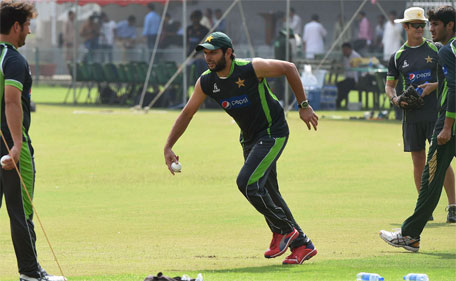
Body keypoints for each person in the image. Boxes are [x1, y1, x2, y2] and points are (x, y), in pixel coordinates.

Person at [163, 31, 319, 265]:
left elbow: (289, 68)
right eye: (205, 53)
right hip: (249, 138)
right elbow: (187, 113)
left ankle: (285, 230)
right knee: (269, 192)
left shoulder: (250, 68)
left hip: (272, 132)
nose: (208, 58)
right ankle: (302, 245)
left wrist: (304, 105)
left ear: (228, 52)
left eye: (213, 52)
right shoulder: (207, 81)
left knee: (246, 183)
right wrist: (168, 146)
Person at [380, 5, 456, 252]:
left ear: (449, 26)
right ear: (406, 27)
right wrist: (395, 99)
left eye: (430, 25)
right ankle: (417, 227)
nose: (426, 29)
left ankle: (412, 234)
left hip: (443, 120)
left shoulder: (443, 51)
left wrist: (446, 125)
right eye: (420, 25)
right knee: (421, 165)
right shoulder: (398, 55)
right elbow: (390, 86)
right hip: (416, 117)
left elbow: (453, 88)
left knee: (432, 175)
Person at [0, 2, 66, 281]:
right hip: (12, 145)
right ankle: (31, 273)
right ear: (16, 27)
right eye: (27, 25)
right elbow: (12, 101)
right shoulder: (14, 59)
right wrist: (16, 145)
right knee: (21, 210)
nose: (29, 31)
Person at [336, 42, 361, 109]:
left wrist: (356, 81)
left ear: (349, 49)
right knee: (339, 84)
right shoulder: (345, 57)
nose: (343, 52)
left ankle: (338, 101)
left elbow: (356, 70)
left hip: (355, 79)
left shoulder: (356, 57)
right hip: (348, 78)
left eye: (345, 50)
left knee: (346, 85)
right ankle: (339, 101)